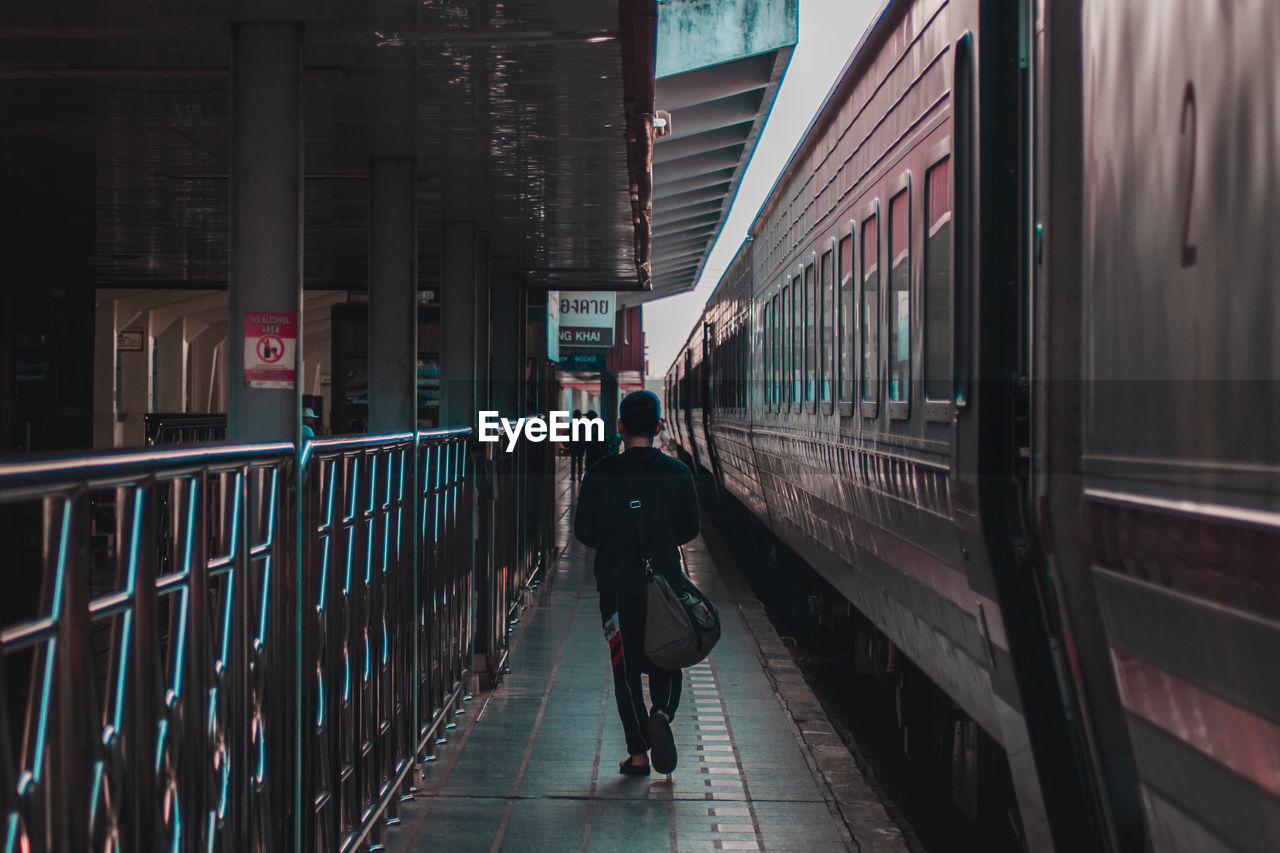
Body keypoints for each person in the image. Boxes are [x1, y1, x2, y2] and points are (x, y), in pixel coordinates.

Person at [574, 390, 699, 776]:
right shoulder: (678, 473)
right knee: (669, 653)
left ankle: (638, 754)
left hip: (615, 585)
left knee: (623, 667)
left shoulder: (600, 474)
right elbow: (689, 529)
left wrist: (616, 542)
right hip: (665, 583)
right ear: (659, 428)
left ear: (620, 428)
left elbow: (583, 531)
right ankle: (661, 712)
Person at [569, 408, 586, 480]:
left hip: (573, 444)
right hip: (581, 445)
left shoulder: (572, 424)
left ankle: (573, 476)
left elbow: (570, 435)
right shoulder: (583, 425)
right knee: (580, 460)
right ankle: (579, 476)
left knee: (573, 461)